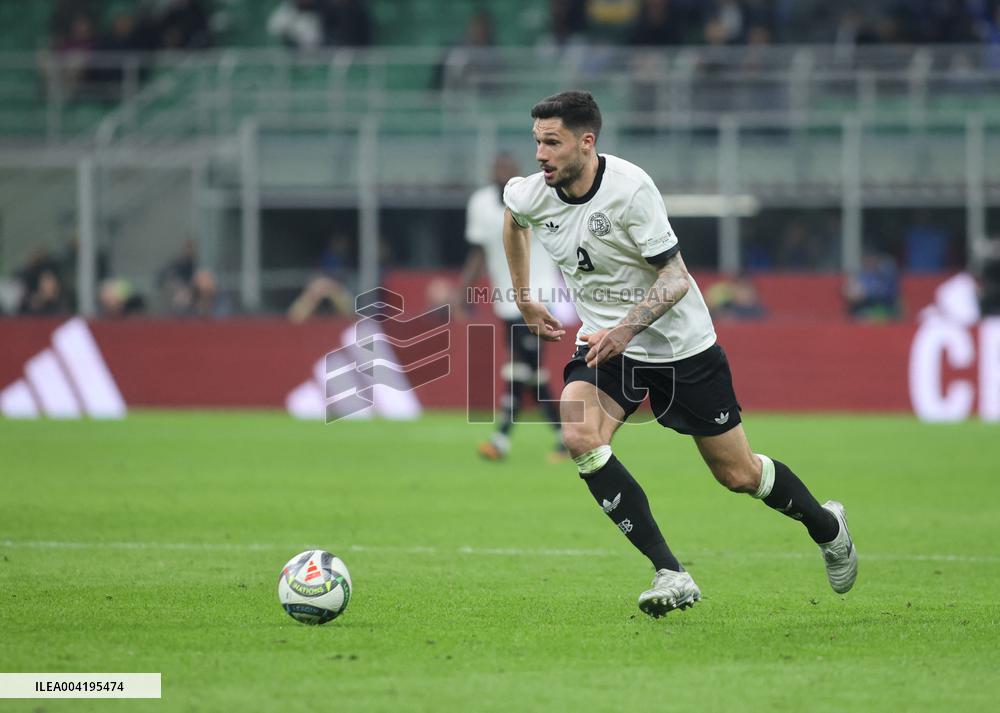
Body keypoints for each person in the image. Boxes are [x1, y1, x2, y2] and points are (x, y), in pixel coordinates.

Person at [501, 90, 857, 619]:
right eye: (536, 142)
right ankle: (670, 571)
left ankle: (827, 527)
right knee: (579, 434)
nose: (540, 155)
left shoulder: (630, 190)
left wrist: (625, 330)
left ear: (586, 142)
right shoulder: (534, 192)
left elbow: (676, 278)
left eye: (552, 143)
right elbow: (514, 220)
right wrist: (525, 296)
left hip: (680, 345)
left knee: (737, 474)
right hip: (605, 344)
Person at [458, 154, 568, 463]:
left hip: (539, 295)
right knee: (530, 372)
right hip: (506, 299)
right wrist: (463, 292)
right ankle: (565, 437)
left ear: (518, 173)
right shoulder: (480, 203)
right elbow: (478, 250)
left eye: (508, 168)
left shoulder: (539, 195)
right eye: (497, 167)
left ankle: (501, 439)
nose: (502, 172)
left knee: (520, 367)